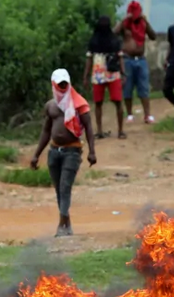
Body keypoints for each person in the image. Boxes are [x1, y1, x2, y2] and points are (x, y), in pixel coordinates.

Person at [30, 69, 97, 237]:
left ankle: (62, 224)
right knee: (59, 189)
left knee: (65, 186)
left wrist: (92, 151)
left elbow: (89, 127)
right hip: (54, 151)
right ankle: (67, 223)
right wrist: (36, 154)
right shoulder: (51, 106)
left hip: (72, 151)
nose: (62, 87)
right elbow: (46, 131)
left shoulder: (79, 104)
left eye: (64, 84)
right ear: (53, 84)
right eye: (59, 84)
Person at [114, 1, 157, 124]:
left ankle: (147, 115)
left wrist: (146, 22)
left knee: (144, 87)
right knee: (127, 87)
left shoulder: (143, 24)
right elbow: (114, 33)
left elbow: (153, 36)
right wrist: (123, 20)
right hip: (127, 59)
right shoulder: (125, 24)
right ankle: (130, 114)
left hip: (141, 59)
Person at [84, 16, 126, 140]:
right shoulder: (107, 40)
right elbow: (89, 59)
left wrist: (123, 74)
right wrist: (86, 76)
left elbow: (120, 57)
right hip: (103, 74)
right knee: (101, 102)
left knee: (110, 102)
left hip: (106, 74)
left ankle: (117, 130)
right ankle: (107, 131)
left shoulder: (111, 41)